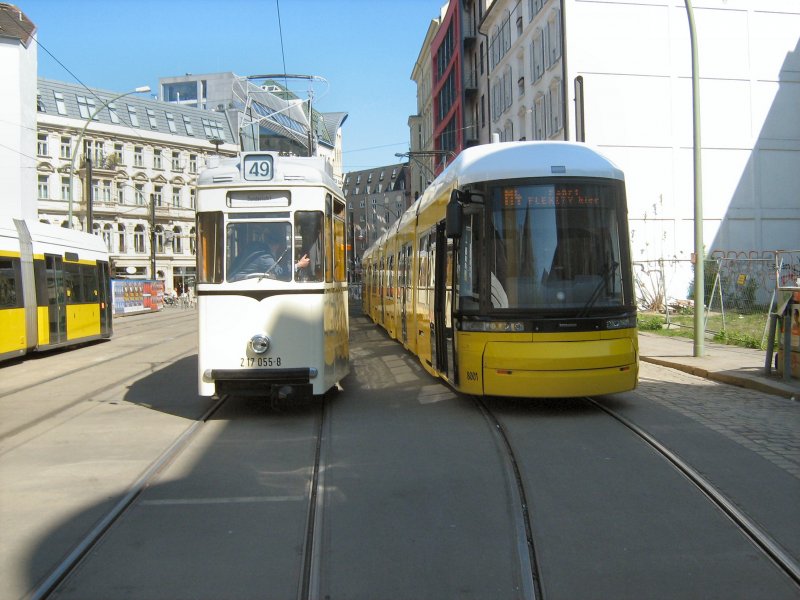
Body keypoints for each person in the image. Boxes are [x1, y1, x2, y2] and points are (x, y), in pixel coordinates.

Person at [231, 233, 309, 281]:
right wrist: (299, 265)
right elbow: (279, 272)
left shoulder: (257, 248)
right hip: (239, 282)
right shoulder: (264, 257)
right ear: (276, 245)